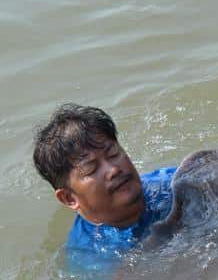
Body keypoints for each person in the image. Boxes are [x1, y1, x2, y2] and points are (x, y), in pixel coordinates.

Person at [33, 104, 175, 264]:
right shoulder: (90, 257)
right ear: (68, 198)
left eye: (113, 153)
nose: (114, 169)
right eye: (91, 168)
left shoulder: (172, 183)